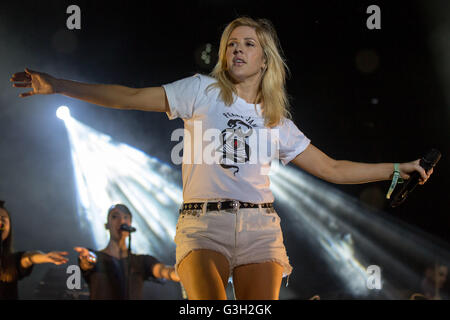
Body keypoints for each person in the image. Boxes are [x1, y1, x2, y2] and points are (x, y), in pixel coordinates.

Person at [10, 17, 434, 300]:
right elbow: (130, 96)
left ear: (265, 59)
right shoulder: (200, 90)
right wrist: (58, 84)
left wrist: (398, 168)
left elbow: (334, 168)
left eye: (248, 44)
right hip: (202, 225)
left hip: (259, 229)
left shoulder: (275, 120)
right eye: (231, 43)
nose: (237, 49)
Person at [74, 204, 179, 300]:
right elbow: (88, 262)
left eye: (126, 217)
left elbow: (163, 271)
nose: (121, 221)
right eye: (115, 217)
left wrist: (184, 273)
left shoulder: (141, 261)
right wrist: (88, 259)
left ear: (130, 224)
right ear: (107, 225)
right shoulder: (97, 257)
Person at [0, 200, 68, 299]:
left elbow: (28, 258)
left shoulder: (10, 262)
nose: (0, 222)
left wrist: (44, 257)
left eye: (3, 219)